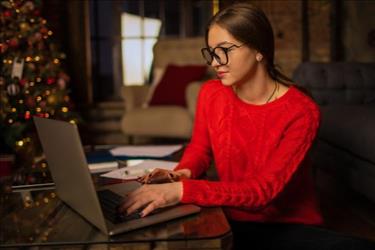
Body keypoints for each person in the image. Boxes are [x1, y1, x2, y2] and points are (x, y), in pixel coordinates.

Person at [119, 3, 375, 250]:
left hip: (286, 226)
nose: (215, 62)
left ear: (258, 49)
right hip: (227, 215)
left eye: (224, 50)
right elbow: (200, 148)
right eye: (210, 52)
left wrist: (179, 190)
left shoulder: (301, 111)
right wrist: (181, 174)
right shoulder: (211, 93)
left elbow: (262, 192)